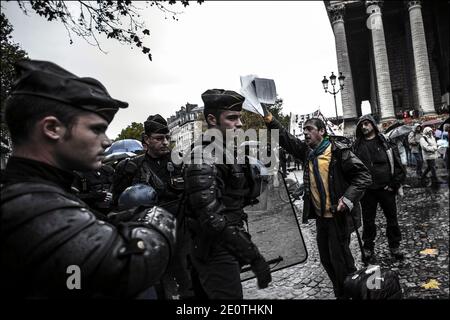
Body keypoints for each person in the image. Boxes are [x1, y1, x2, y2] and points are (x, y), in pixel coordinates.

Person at [0, 59, 176, 298]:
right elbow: (128, 267)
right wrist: (156, 220)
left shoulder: (38, 193)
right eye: (96, 129)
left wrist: (114, 219)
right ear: (52, 128)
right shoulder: (34, 205)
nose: (105, 141)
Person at [262, 112, 372, 299]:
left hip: (338, 218)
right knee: (326, 260)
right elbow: (286, 139)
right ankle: (342, 292)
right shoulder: (308, 152)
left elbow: (364, 176)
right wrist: (269, 118)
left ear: (321, 131)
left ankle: (352, 293)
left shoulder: (338, 152)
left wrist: (347, 199)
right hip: (322, 219)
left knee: (342, 261)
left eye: (309, 129)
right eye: (304, 130)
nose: (305, 133)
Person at [183, 89, 272, 299]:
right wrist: (254, 256)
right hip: (214, 249)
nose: (239, 124)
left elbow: (232, 196)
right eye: (232, 118)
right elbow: (213, 219)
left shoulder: (224, 150)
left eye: (239, 117)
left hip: (225, 245)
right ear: (212, 119)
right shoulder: (202, 156)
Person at [111, 114, 192, 299]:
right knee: (160, 288)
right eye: (158, 138)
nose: (165, 142)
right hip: (150, 238)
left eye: (167, 138)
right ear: (146, 140)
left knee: (189, 285)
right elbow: (117, 205)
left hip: (181, 234)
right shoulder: (130, 168)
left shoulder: (181, 162)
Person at [353, 115, 406, 262]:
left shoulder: (385, 142)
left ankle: (395, 246)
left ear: (373, 125)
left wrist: (393, 184)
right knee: (368, 221)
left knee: (392, 219)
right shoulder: (357, 145)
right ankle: (368, 247)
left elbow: (397, 164)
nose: (364, 127)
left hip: (386, 188)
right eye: (361, 125)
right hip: (367, 191)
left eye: (366, 124)